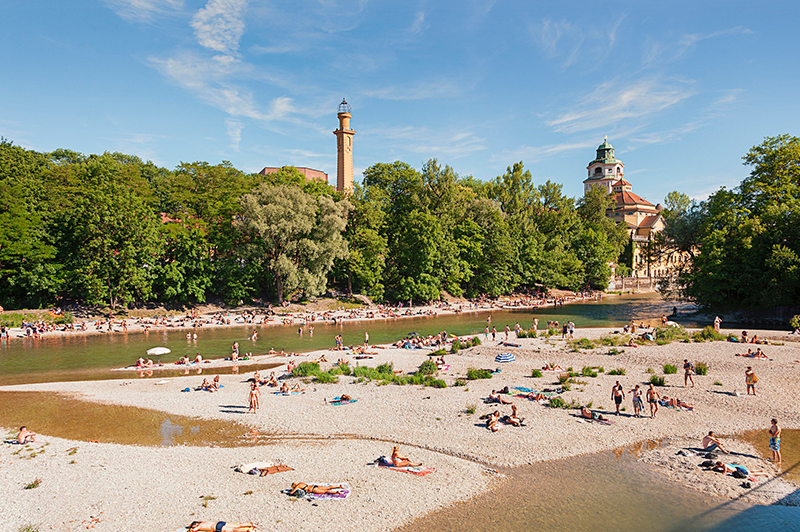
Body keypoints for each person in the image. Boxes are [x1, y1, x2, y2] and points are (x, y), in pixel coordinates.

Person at [188, 521, 258, 531]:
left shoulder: (199, 526)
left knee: (233, 530)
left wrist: (191, 529)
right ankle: (251, 524)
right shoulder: (203, 522)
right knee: (236, 526)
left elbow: (193, 530)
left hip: (217, 528)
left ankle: (247, 531)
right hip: (219, 523)